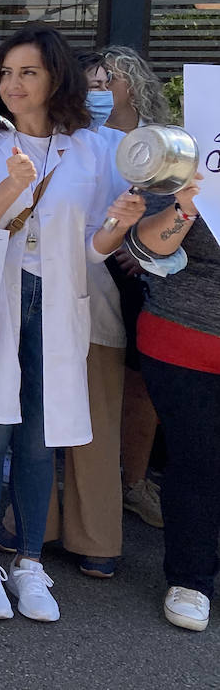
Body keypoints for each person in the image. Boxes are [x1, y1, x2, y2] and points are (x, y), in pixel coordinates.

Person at [0, 24, 144, 624]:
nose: (12, 85)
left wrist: (117, 224)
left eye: (26, 73)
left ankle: (29, 563)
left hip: (57, 300)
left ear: (54, 77)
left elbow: (92, 244)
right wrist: (12, 183)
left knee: (39, 434)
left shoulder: (89, 147)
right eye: (5, 73)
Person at [126, 174, 216, 631]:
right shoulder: (186, 158)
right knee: (198, 461)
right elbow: (144, 251)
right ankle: (192, 579)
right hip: (187, 338)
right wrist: (187, 204)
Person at [94, 45, 170, 529]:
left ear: (133, 84)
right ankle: (91, 483)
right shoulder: (76, 135)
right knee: (97, 379)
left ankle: (134, 483)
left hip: (136, 271)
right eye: (92, 83)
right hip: (90, 266)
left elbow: (179, 205)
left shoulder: (162, 141)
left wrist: (142, 249)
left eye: (108, 81)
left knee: (140, 384)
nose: (98, 91)